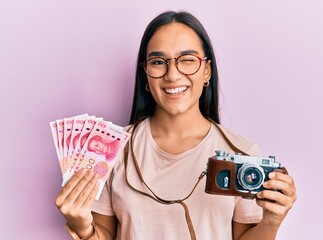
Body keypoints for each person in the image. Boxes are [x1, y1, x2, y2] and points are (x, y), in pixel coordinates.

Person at [55, 11, 297, 240]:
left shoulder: (242, 155)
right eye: (159, 62)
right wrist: (82, 227)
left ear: (207, 71)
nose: (172, 75)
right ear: (146, 75)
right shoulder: (113, 150)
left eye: (188, 60)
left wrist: (272, 221)